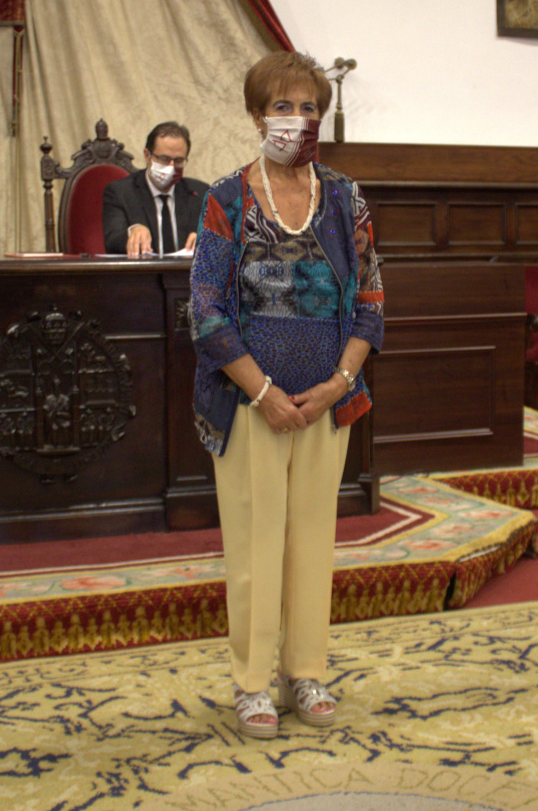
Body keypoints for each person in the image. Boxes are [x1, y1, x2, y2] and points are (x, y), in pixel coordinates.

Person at [189, 51, 384, 739]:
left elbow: (370, 301)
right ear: (255, 116)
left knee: (312, 540)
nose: (295, 121)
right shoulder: (224, 198)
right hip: (248, 403)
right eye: (281, 108)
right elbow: (205, 311)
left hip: (328, 401)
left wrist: (339, 381)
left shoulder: (346, 197)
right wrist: (264, 390)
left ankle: (307, 670)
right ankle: (251, 684)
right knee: (254, 541)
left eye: (308, 109)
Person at [102, 121, 208, 256]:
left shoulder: (200, 192)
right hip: (142, 274)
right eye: (164, 159)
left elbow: (224, 239)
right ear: (147, 156)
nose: (171, 166)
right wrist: (132, 232)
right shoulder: (121, 192)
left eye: (178, 160)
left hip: (185, 275)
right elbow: (111, 241)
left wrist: (208, 239)